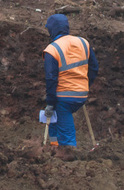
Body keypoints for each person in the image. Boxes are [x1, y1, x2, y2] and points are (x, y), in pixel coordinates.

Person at [42, 13, 99, 152]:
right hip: (81, 94)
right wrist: (84, 85)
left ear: (52, 29)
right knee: (57, 118)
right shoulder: (83, 42)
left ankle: (68, 152)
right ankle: (55, 147)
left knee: (64, 125)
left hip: (64, 96)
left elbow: (51, 78)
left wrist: (50, 101)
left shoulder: (52, 49)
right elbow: (94, 67)